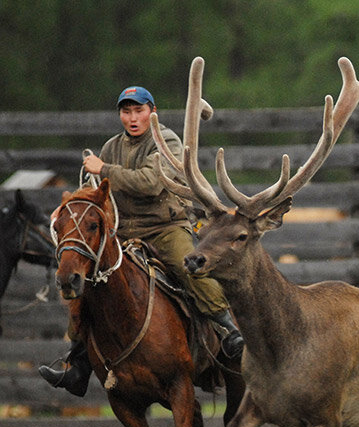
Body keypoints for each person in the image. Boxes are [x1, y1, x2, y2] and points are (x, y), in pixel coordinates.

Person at [39, 85, 244, 396]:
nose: (132, 118)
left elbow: (151, 183)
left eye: (139, 110)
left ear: (152, 111)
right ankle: (78, 364)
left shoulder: (167, 140)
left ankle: (228, 330)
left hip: (165, 228)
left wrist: (104, 168)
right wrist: (72, 208)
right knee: (86, 282)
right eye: (126, 111)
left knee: (188, 266)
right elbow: (100, 196)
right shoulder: (111, 146)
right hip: (124, 233)